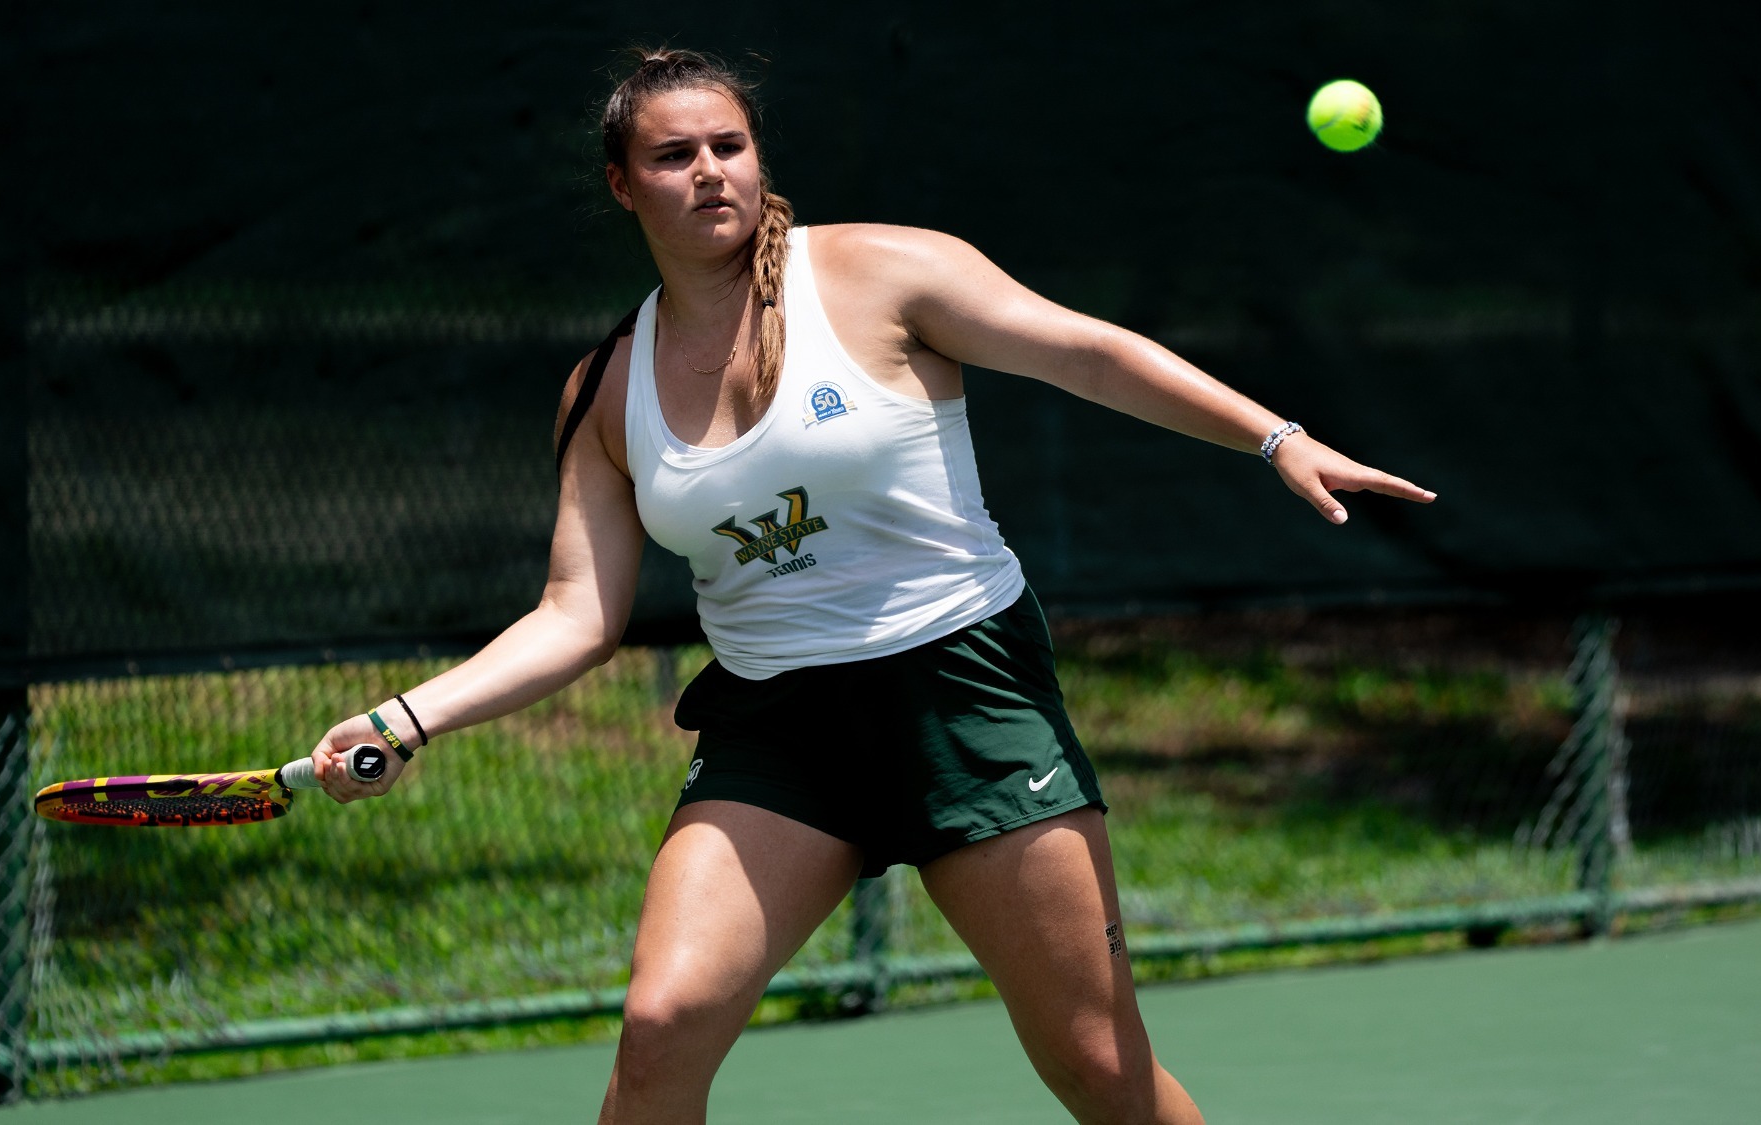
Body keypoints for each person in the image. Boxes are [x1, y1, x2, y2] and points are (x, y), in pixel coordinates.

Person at [309, 48, 1436, 1125]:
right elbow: (576, 614)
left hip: (963, 696)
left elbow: (1082, 351)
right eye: (672, 156)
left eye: (729, 144)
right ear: (622, 185)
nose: (709, 170)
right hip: (779, 731)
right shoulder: (603, 390)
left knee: (1099, 1068)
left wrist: (1274, 437)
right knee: (660, 1025)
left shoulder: (886, 274)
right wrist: (408, 719)